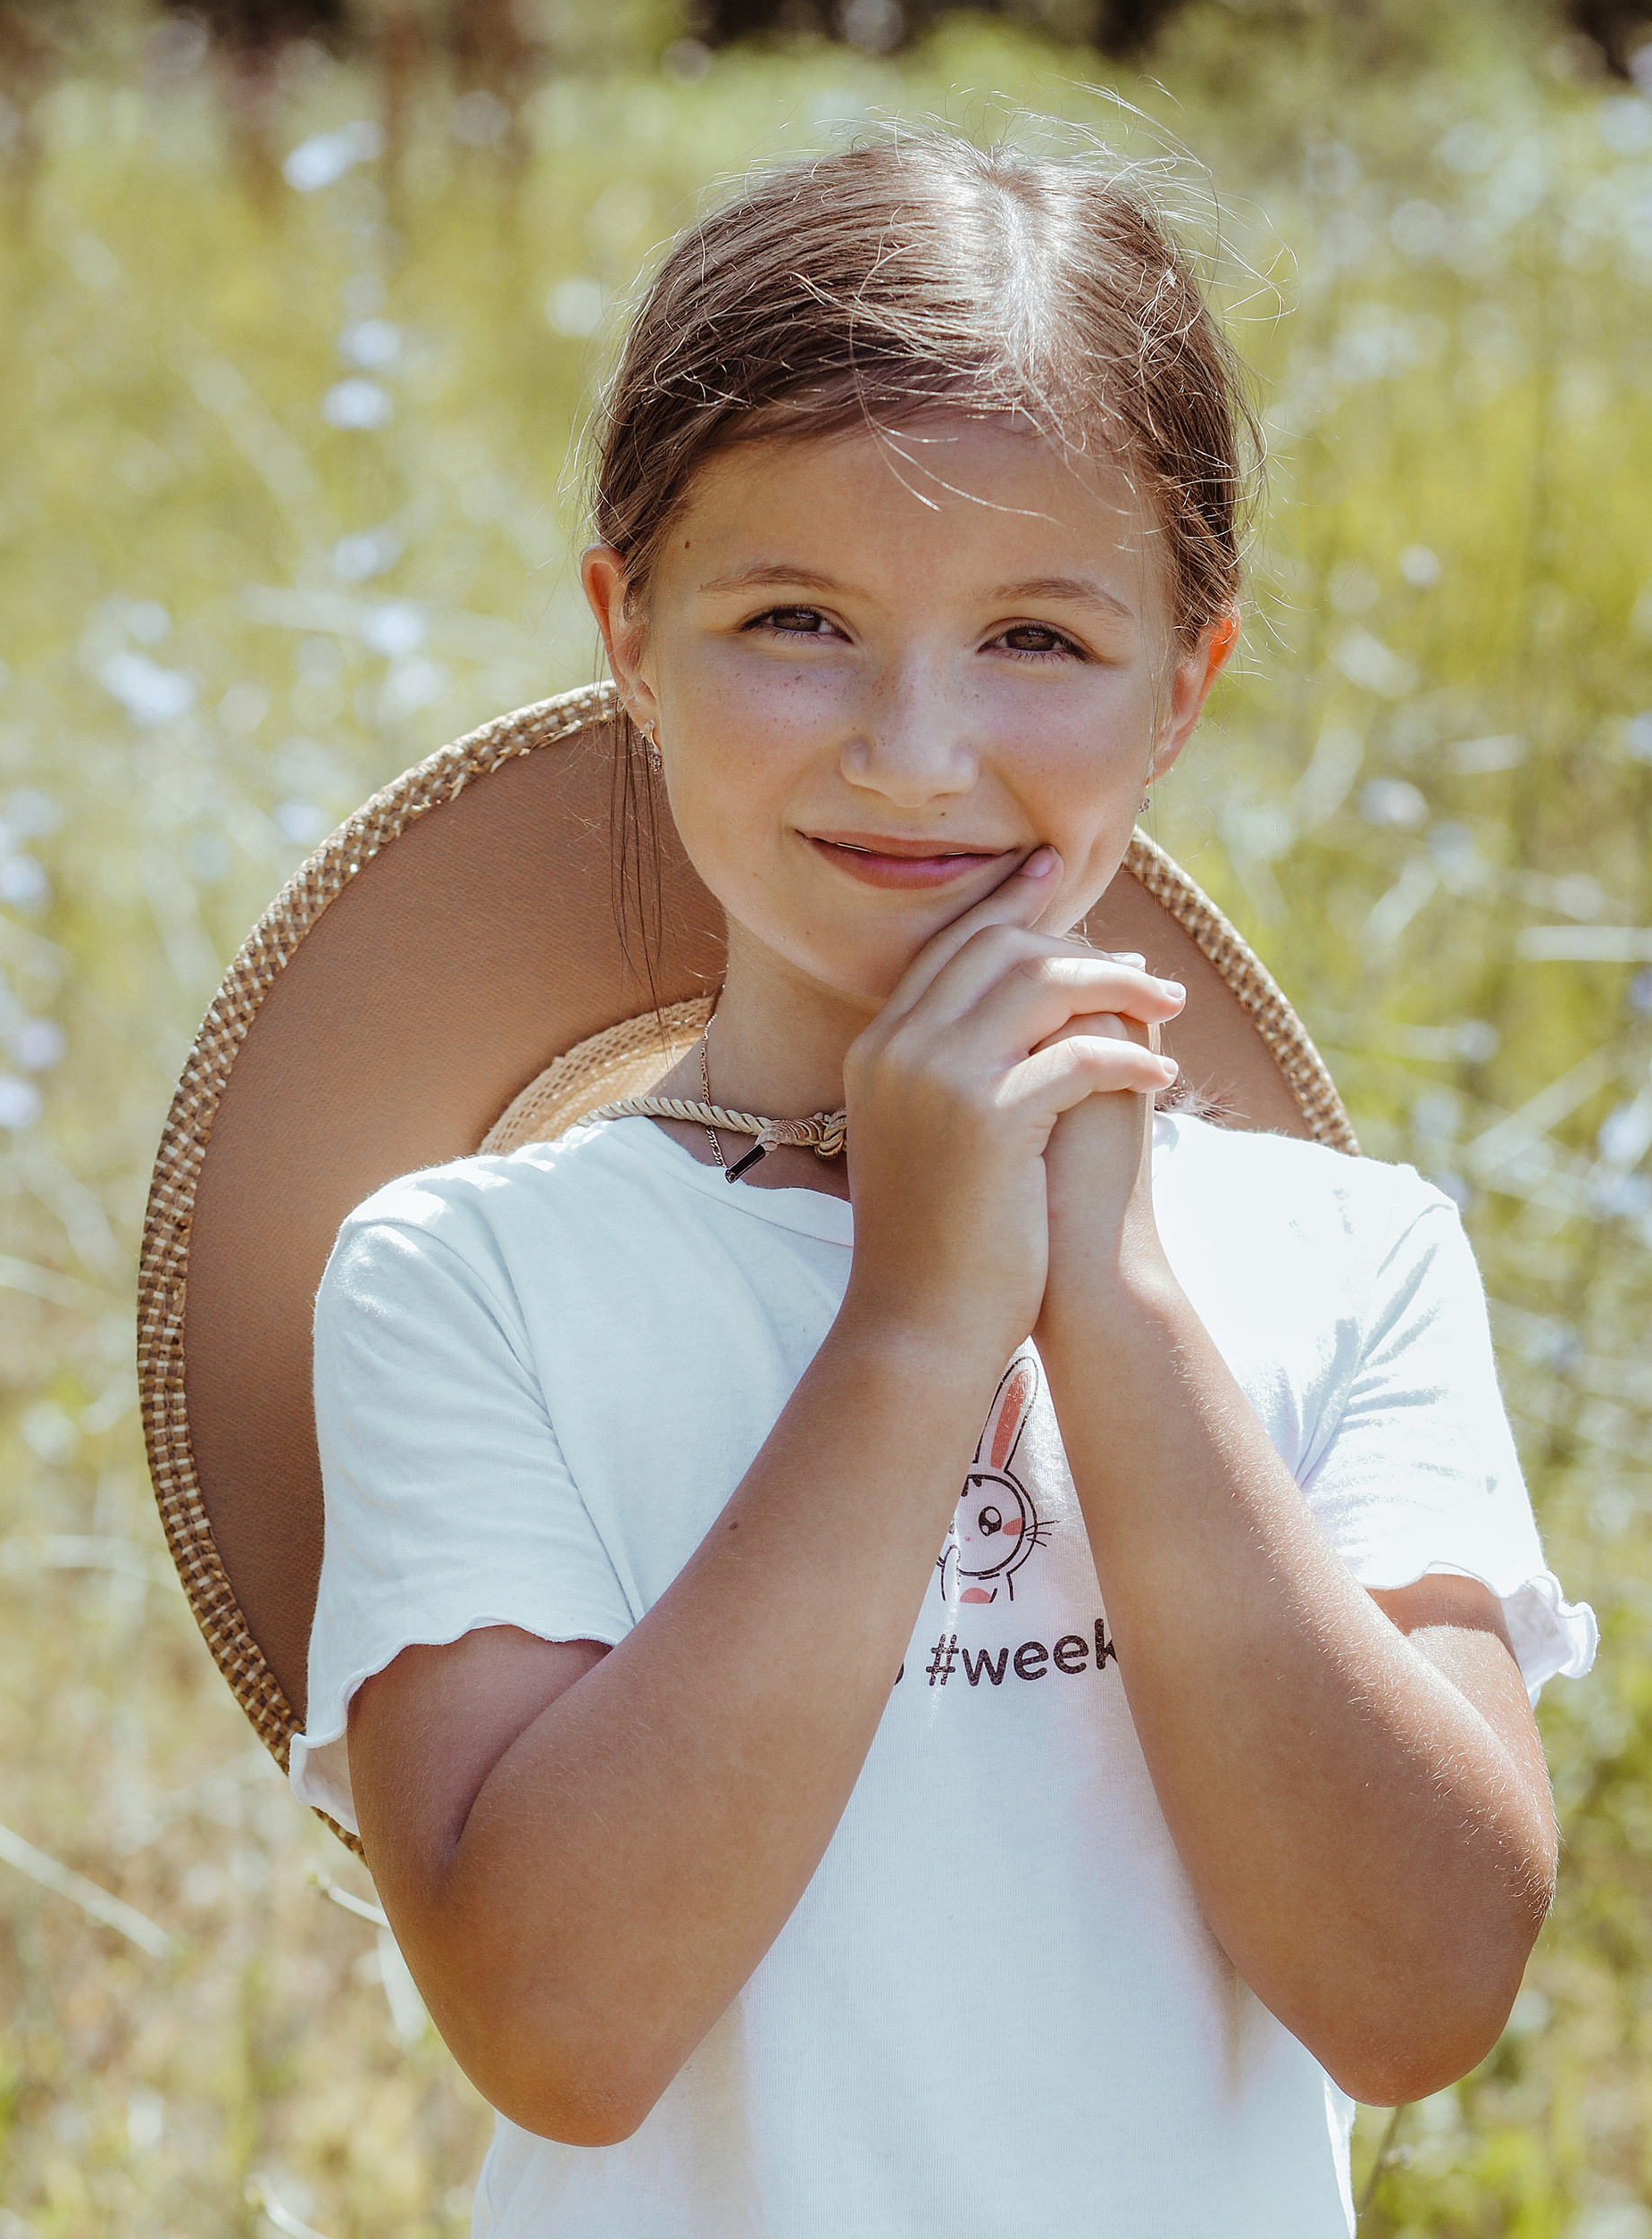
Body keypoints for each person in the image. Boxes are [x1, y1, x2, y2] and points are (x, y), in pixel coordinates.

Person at [285, 130, 1596, 2235]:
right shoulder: (471, 1277)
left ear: (1185, 681)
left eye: (1036, 639)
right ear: (627, 631)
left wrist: (1111, 1291)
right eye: (793, 618)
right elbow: (561, 2022)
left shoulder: (1349, 1263)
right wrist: (909, 1322)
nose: (911, 746)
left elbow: (1415, 1990)